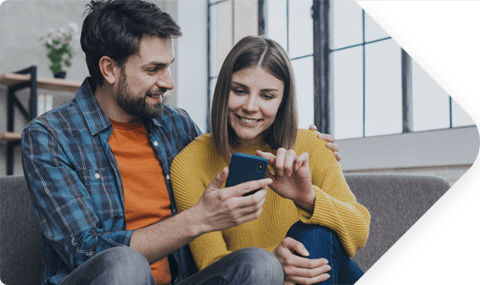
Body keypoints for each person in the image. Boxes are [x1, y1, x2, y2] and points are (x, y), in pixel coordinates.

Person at [21, 1, 338, 284]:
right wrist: (198, 219)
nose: (168, 82)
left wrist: (302, 144)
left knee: (260, 263)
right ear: (109, 69)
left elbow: (229, 156)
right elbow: (84, 250)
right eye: (153, 69)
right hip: (111, 276)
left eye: (168, 65)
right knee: (125, 264)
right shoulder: (49, 135)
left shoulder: (176, 124)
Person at [171, 36, 371, 285]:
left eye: (267, 96)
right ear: (223, 91)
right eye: (239, 91)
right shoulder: (189, 163)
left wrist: (307, 198)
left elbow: (359, 231)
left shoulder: (310, 145)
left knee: (313, 232)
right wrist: (274, 263)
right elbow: (213, 266)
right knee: (307, 242)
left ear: (283, 101)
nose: (251, 106)